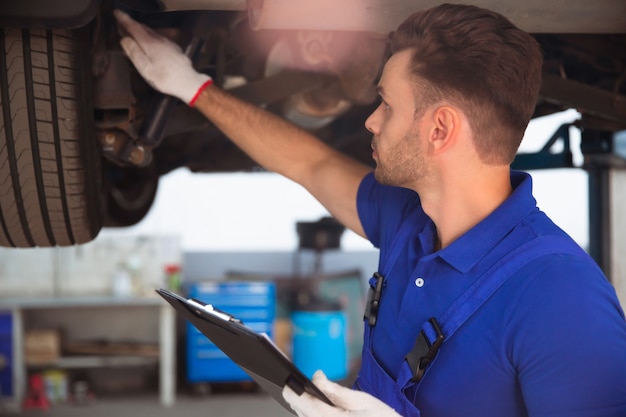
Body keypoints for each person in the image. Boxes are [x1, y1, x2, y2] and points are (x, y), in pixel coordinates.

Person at [114, 4, 626, 417]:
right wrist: (193, 88)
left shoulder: (561, 299)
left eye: (387, 105)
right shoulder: (406, 219)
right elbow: (310, 163)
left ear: (440, 130)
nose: (371, 122)